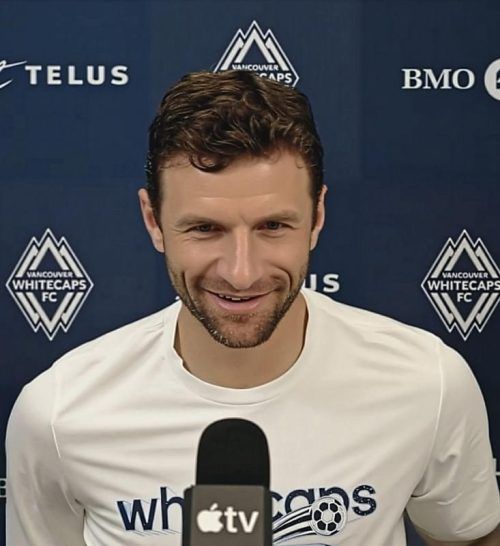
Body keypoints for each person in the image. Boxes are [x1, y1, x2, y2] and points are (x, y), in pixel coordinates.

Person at [6, 70, 500, 546]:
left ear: (317, 216)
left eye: (273, 226)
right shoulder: (58, 414)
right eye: (205, 228)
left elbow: (468, 537)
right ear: (153, 221)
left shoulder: (428, 383)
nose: (241, 273)